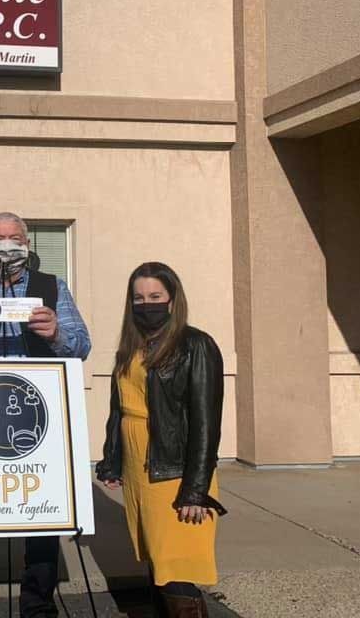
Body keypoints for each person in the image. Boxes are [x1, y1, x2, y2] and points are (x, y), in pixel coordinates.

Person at [0, 211, 92, 618]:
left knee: (40, 522)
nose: (7, 245)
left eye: (16, 238)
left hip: (36, 420)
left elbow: (82, 346)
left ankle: (38, 608)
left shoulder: (52, 287)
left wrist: (58, 334)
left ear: (27, 245)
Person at [95, 262, 226, 618]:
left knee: (177, 569)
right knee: (156, 562)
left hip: (174, 470)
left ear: (172, 300)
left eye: (155, 296)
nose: (146, 304)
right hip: (140, 469)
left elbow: (206, 423)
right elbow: (120, 407)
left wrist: (196, 489)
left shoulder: (196, 345)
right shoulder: (132, 348)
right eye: (138, 298)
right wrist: (112, 458)